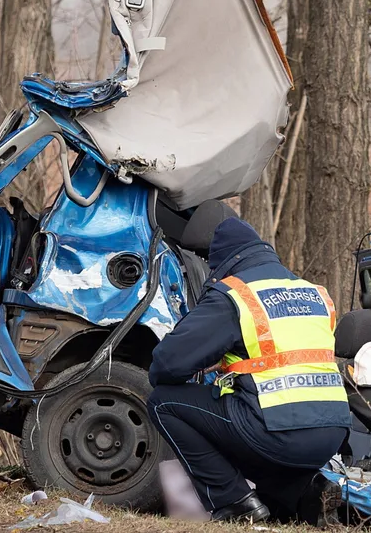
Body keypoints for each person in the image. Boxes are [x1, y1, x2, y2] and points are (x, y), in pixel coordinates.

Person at [146, 215, 350, 523]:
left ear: (222, 262)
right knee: (251, 425)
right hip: (332, 433)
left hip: (280, 431)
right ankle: (306, 493)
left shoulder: (237, 294)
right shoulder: (313, 292)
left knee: (164, 403)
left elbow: (166, 365)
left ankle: (235, 502)